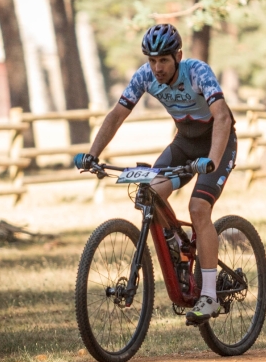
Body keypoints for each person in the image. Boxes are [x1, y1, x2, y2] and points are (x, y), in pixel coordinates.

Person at [74, 23, 237, 324]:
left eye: (163, 60)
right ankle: (179, 244)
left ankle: (210, 296)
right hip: (184, 145)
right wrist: (93, 154)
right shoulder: (145, 76)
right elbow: (116, 115)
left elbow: (223, 117)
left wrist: (212, 160)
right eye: (152, 60)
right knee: (149, 193)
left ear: (178, 56)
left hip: (217, 144)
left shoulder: (197, 72)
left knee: (198, 208)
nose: (157, 67)